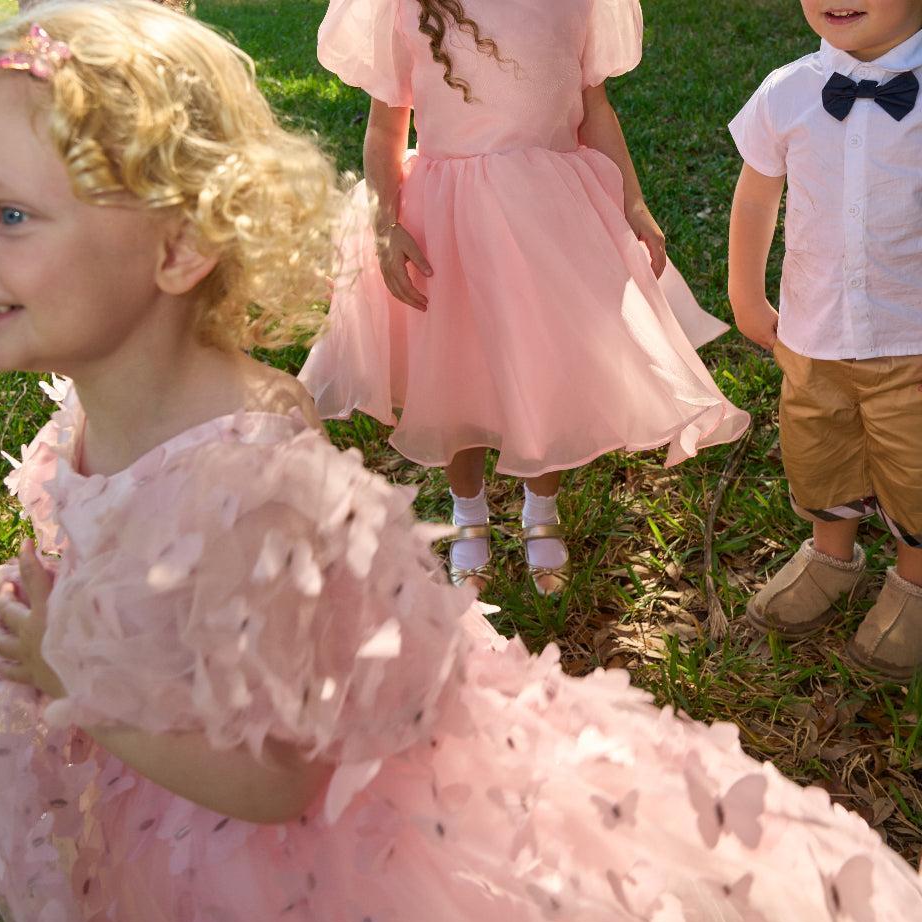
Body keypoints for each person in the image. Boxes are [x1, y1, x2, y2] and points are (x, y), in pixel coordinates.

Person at [0, 3, 922, 922]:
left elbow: (281, 779)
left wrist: (73, 668)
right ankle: (483, 508)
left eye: (8, 216)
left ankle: (530, 509)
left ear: (176, 249)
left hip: (270, 861)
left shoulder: (245, 464)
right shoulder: (85, 418)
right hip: (149, 804)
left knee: (521, 379)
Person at [298, 0, 750, 595]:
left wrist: (634, 203)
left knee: (545, 370)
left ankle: (541, 512)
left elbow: (595, 109)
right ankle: (468, 516)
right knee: (459, 372)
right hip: (448, 221)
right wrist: (387, 222)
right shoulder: (408, 6)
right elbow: (386, 125)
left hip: (547, 218)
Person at [729, 0, 922, 680]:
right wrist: (747, 295)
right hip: (814, 333)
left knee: (914, 464)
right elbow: (757, 197)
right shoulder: (788, 90)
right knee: (818, 447)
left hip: (912, 338)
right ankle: (830, 555)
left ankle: (914, 583)